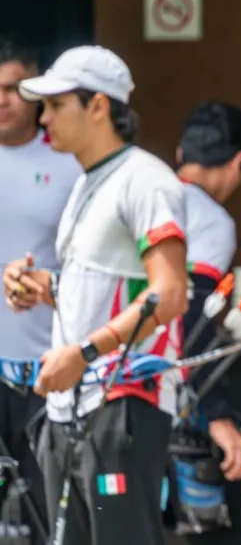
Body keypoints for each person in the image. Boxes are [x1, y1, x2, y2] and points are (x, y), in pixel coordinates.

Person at [1, 45, 188, 545]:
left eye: (57, 105)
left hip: (122, 401)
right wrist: (43, 288)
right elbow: (106, 290)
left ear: (99, 106)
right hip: (72, 404)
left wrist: (83, 354)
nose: (45, 118)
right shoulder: (87, 181)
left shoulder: (145, 179)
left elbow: (168, 296)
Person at [0, 38, 81, 543]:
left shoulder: (71, 165)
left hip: (45, 369)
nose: (2, 99)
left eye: (12, 88)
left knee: (44, 514)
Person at [173, 100, 241, 545]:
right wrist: (218, 417)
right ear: (238, 162)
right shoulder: (210, 220)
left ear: (180, 154)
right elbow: (191, 314)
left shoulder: (145, 195)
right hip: (170, 400)